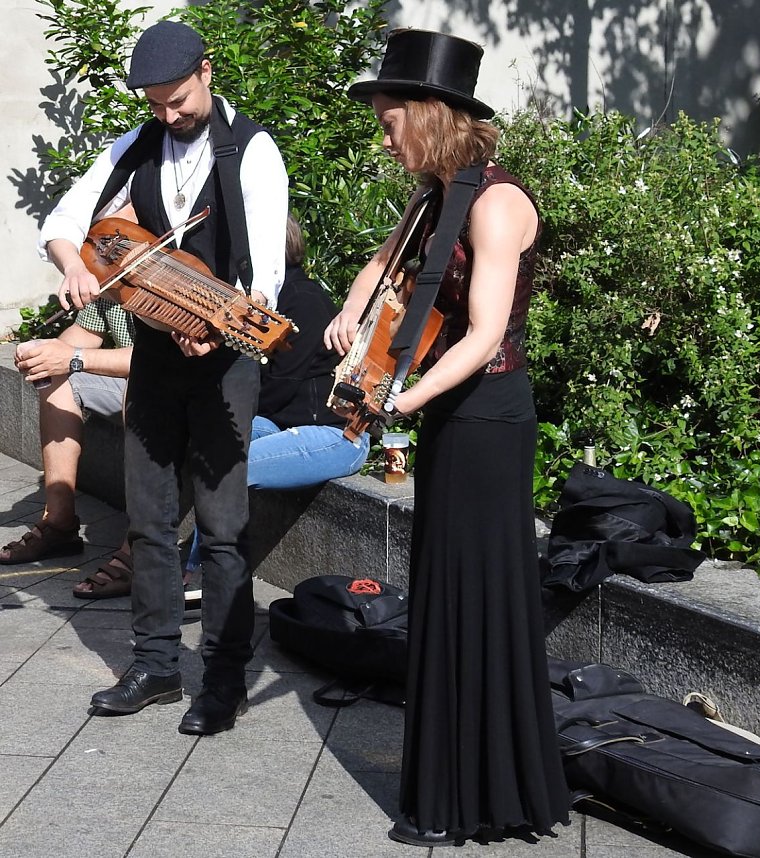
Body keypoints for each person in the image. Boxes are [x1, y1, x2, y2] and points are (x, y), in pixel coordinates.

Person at [325, 29, 569, 846]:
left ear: (429, 115)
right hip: (448, 415)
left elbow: (484, 333)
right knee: (445, 593)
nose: (383, 138)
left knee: (474, 596)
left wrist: (403, 398)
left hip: (488, 417)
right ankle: (460, 788)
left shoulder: (496, 203)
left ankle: (474, 797)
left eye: (390, 122)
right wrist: (350, 315)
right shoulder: (433, 196)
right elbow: (383, 265)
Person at [38, 19, 289, 735]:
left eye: (177, 100)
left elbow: (263, 275)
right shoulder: (137, 145)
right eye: (155, 104)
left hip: (225, 363)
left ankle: (224, 678)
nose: (168, 115)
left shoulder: (252, 149)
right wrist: (75, 264)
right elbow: (64, 219)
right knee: (147, 519)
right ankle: (154, 664)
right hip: (152, 359)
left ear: (206, 72)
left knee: (222, 525)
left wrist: (214, 321)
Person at [181, 212, 368, 570]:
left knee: (232, 466)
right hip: (282, 423)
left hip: (337, 435)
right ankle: (193, 561)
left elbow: (280, 387)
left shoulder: (303, 299)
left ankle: (198, 573)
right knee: (214, 444)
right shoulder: (264, 301)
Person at [2, 300, 134, 584]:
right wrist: (41, 353)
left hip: (186, 391)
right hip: (133, 378)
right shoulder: (113, 281)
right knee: (52, 375)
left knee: (141, 390)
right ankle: (59, 524)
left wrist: (74, 357)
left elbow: (159, 360)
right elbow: (84, 333)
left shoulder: (171, 279)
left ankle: (143, 545)